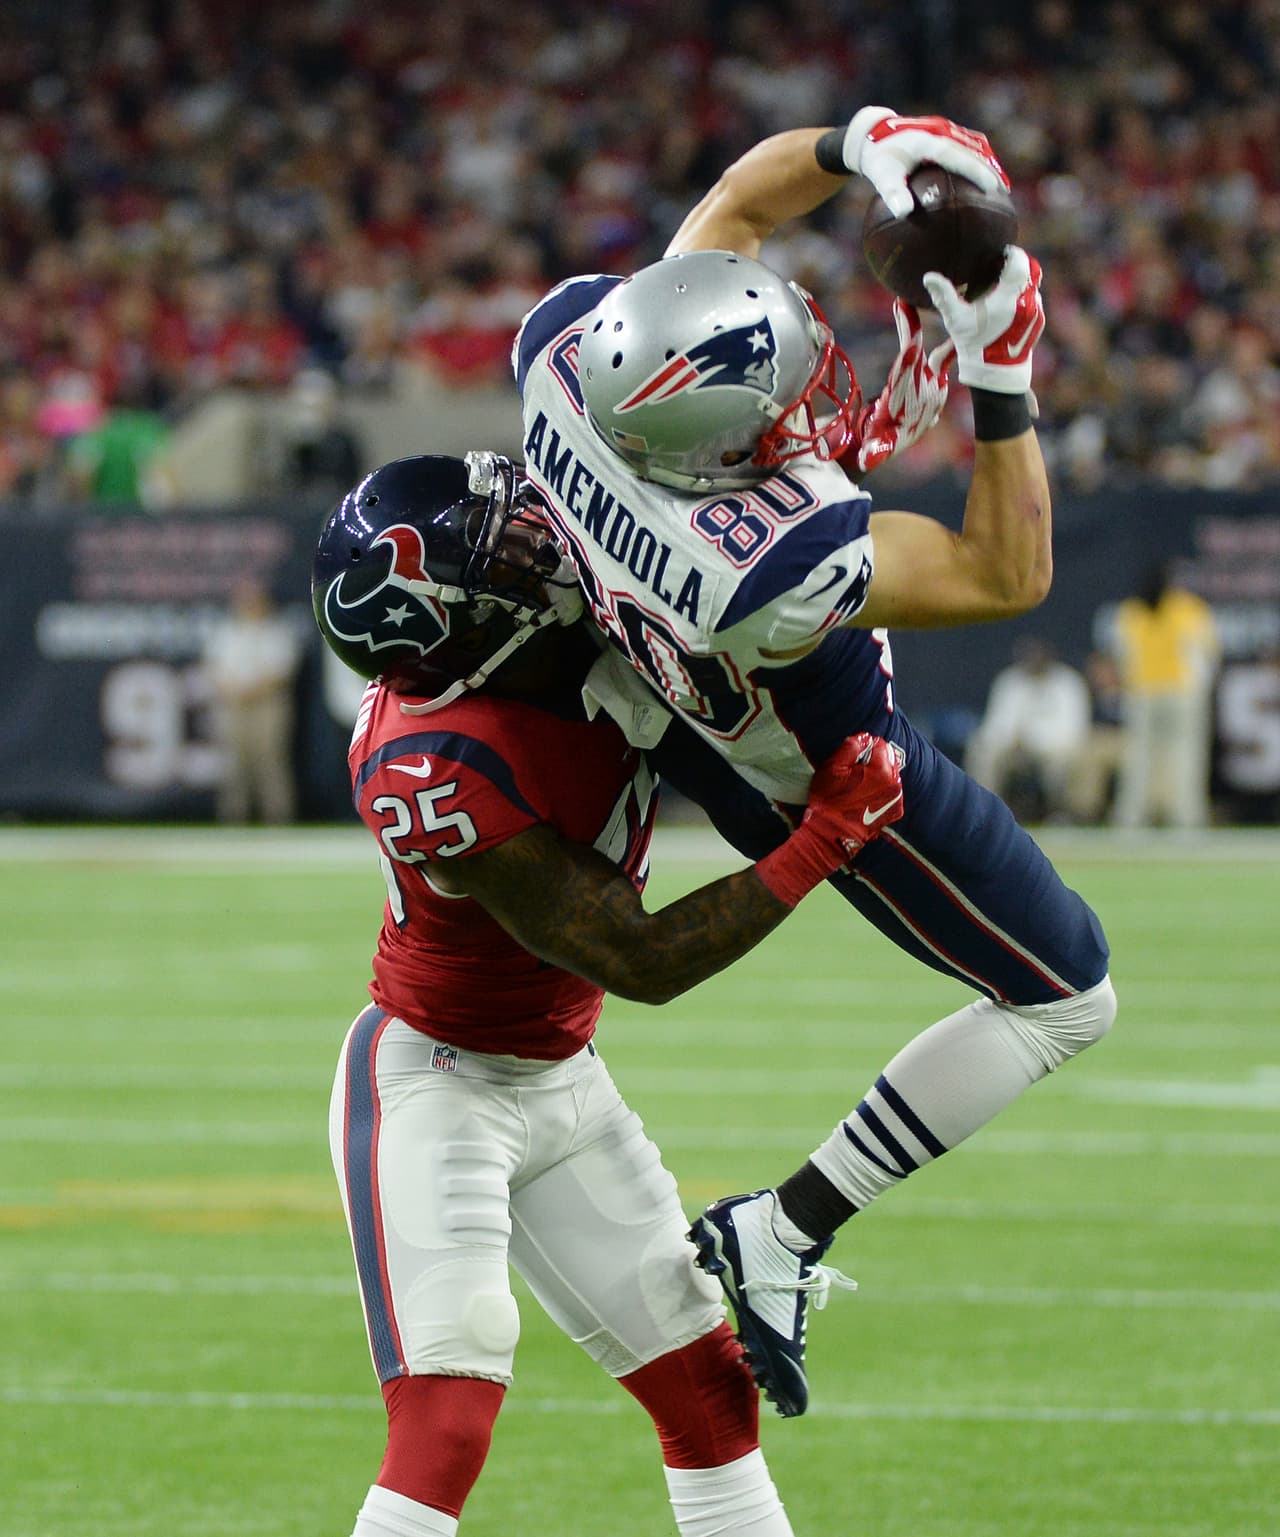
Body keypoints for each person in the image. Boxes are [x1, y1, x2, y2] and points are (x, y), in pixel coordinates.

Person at [509, 106, 1116, 1418]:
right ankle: (782, 1228)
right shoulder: (756, 566)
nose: (815, 394)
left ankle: (781, 1235)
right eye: (786, 404)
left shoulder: (571, 356)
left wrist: (858, 144)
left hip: (684, 696)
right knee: (1069, 996)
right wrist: (1000, 369)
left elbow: (733, 205)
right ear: (721, 459)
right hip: (816, 753)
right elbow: (1006, 571)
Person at [311, 453, 906, 1537]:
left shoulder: (558, 635)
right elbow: (638, 959)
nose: (540, 544)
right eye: (503, 553)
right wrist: (823, 837)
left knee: (711, 1392)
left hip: (561, 1078)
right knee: (446, 1418)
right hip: (440, 1080)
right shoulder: (432, 761)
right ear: (456, 628)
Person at [1112, 560, 1221, 828]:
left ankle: (1132, 817)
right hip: (1181, 692)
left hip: (1143, 691)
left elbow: (1122, 654)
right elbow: (1206, 654)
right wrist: (1199, 687)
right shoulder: (1188, 607)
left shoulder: (1131, 611)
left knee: (1140, 755)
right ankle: (1185, 817)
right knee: (1184, 755)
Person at [202, 576, 303, 824]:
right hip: (233, 706)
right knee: (234, 766)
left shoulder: (276, 631)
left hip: (267, 706)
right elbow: (214, 670)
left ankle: (278, 818)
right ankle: (234, 819)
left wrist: (251, 690)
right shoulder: (226, 632)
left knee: (270, 763)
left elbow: (281, 672)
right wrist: (233, 690)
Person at [965, 636, 1091, 821]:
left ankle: (1058, 814)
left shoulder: (1067, 683)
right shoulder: (1009, 681)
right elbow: (995, 725)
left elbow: (1072, 731)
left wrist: (1032, 740)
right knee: (984, 751)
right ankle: (984, 813)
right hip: (1013, 749)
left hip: (1051, 749)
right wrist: (1012, 741)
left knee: (1063, 761)